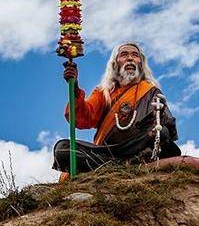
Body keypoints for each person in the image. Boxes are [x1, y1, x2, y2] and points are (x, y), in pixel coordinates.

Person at [53, 42, 180, 175]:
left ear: (141, 64)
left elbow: (168, 129)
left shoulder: (151, 91)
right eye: (124, 55)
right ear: (115, 64)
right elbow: (82, 118)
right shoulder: (104, 92)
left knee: (161, 132)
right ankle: (122, 165)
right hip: (106, 152)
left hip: (138, 147)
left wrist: (155, 121)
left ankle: (118, 164)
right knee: (63, 149)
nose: (130, 58)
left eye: (135, 55)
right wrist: (75, 88)